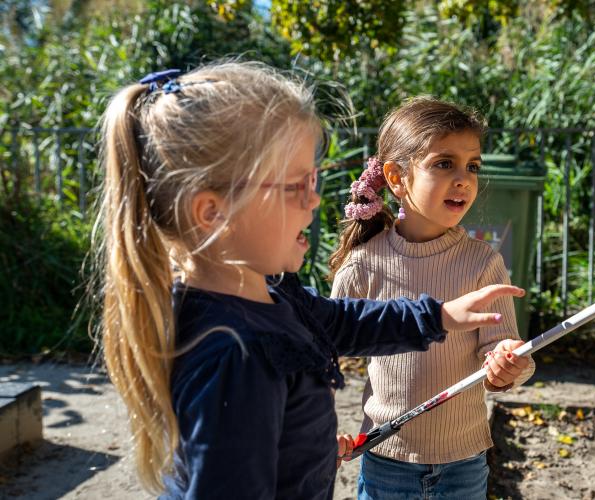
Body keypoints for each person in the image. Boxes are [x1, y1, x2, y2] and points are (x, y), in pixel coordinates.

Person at [92, 62, 525, 499]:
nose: (315, 199)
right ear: (213, 212)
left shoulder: (274, 294)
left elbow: (342, 322)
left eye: (312, 180)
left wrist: (442, 315)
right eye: (294, 185)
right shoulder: (233, 354)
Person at [329, 96, 536, 499]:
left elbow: (506, 350)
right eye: (444, 163)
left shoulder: (483, 264)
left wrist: (510, 363)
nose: (464, 178)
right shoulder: (362, 267)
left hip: (465, 463)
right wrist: (319, 428)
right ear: (396, 177)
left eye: (472, 166)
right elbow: (321, 358)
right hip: (384, 460)